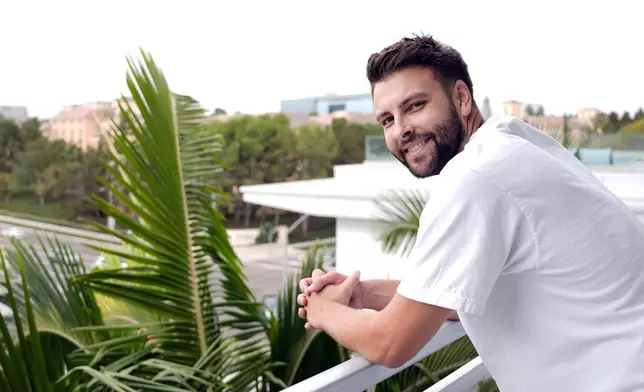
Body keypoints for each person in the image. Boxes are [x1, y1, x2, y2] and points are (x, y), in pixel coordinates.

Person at [296, 34, 644, 391]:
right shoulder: (512, 143)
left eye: (414, 106)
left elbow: (390, 344)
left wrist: (323, 310)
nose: (401, 130)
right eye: (387, 120)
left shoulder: (475, 178)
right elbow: (458, 293)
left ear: (461, 97)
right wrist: (364, 294)